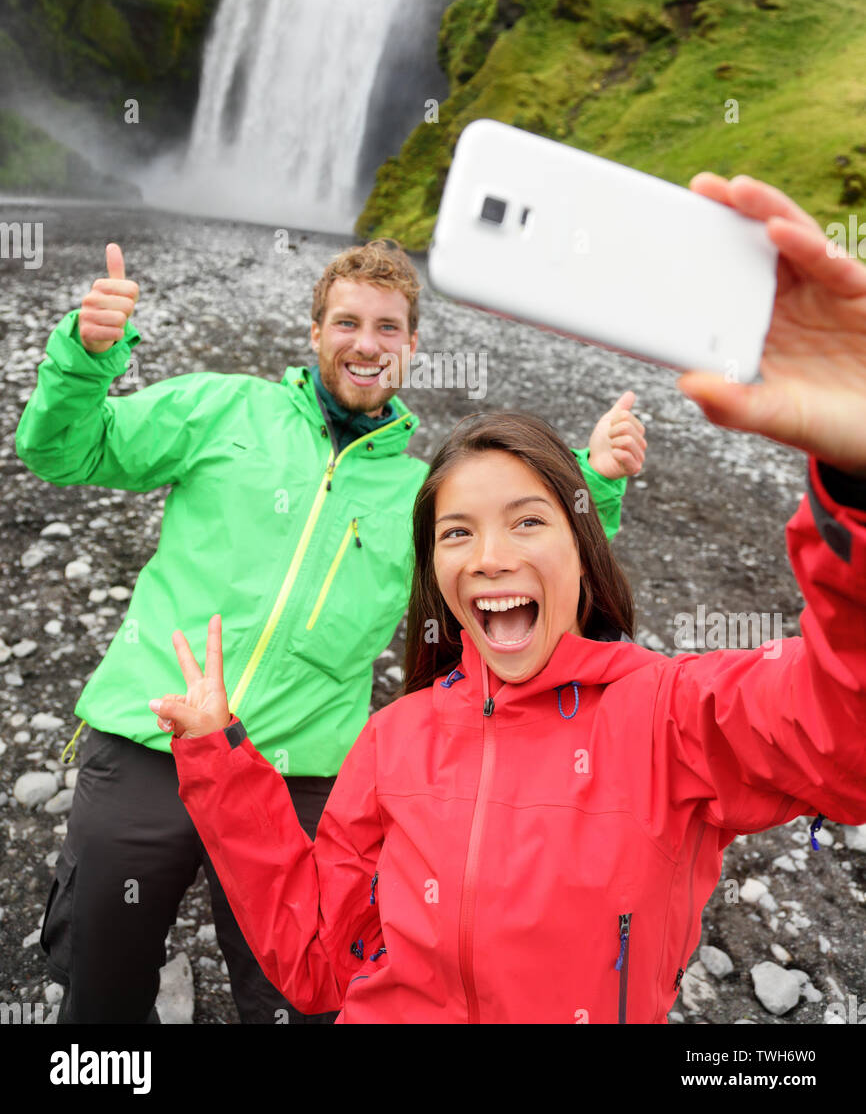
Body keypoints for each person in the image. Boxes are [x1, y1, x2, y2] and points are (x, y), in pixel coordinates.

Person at [150, 171, 866, 1024]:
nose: (488, 557)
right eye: (457, 534)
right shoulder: (393, 741)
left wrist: (854, 476)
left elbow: (842, 734)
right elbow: (315, 963)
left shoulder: (672, 717)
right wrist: (223, 763)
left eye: (527, 522)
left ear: (581, 549)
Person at [14, 237, 645, 1025]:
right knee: (100, 991)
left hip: (303, 773)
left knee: (302, 997)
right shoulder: (221, 408)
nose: (366, 343)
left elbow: (522, 568)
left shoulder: (424, 492)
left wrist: (600, 485)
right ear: (316, 333)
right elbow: (61, 448)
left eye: (387, 328)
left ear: (410, 347)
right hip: (151, 737)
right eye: (347, 322)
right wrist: (87, 354)